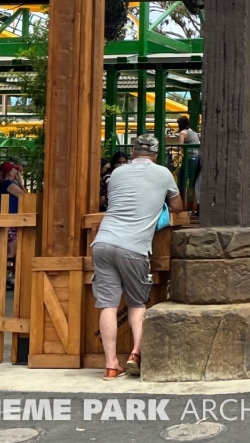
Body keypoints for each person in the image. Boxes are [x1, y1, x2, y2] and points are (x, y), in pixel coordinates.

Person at [91, 135, 183, 380]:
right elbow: (177, 206)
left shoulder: (118, 173)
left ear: (133, 152)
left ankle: (111, 365)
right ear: (155, 154)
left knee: (107, 305)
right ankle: (135, 354)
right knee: (137, 304)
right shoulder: (163, 174)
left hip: (103, 242)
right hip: (133, 248)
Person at [0, 162, 27, 290]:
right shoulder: (9, 184)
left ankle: (6, 278)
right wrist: (20, 182)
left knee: (11, 251)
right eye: (14, 170)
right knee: (10, 252)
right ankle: (2, 279)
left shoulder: (6, 184)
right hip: (10, 222)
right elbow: (26, 197)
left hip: (11, 221)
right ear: (10, 172)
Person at [174, 116, 200, 193]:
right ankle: (190, 195)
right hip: (196, 157)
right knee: (192, 178)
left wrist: (168, 148)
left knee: (182, 177)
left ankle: (182, 195)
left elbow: (180, 148)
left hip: (189, 157)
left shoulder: (183, 133)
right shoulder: (192, 131)